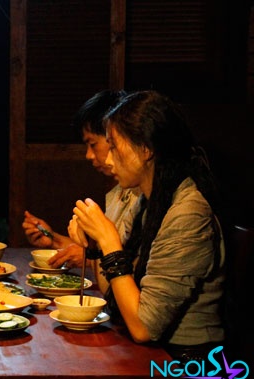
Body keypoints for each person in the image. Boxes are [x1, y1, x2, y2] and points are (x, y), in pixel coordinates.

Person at [68, 90, 225, 360]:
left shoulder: (188, 213)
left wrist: (109, 241)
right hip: (151, 351)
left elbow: (144, 328)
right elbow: (113, 294)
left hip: (187, 363)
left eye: (114, 147)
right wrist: (96, 243)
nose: (108, 160)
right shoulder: (146, 201)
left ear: (146, 149)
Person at [22, 89, 141, 269]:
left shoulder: (146, 198)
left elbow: (132, 267)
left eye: (93, 144)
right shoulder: (120, 192)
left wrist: (91, 260)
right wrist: (53, 239)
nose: (88, 155)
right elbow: (105, 253)